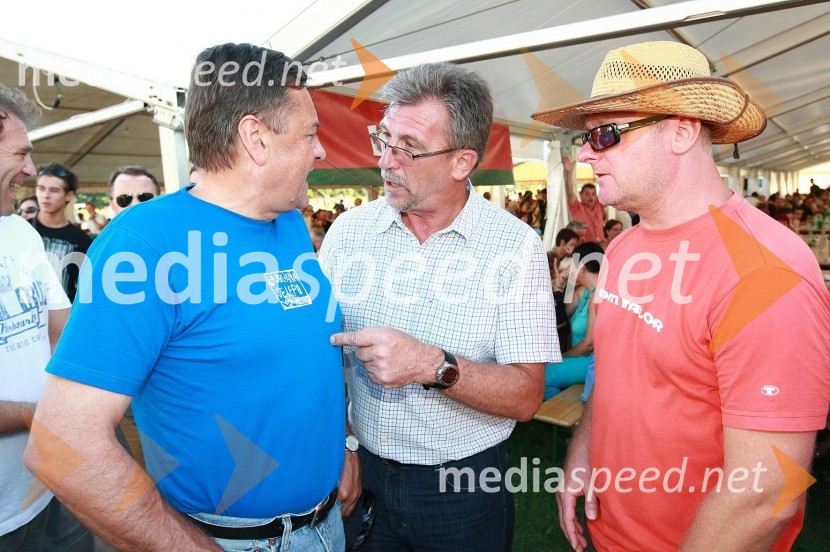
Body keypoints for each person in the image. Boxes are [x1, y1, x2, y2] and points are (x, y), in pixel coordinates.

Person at [25, 43, 356, 551]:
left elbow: (306, 352)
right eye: (311, 133)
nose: (321, 150)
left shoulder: (288, 220)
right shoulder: (145, 246)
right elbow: (60, 443)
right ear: (255, 137)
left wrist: (343, 446)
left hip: (326, 524)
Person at [532, 41, 830, 551]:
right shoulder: (625, 247)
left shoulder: (764, 272)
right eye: (586, 137)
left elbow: (767, 493)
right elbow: (614, 370)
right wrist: (582, 450)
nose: (585, 153)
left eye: (605, 135)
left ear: (681, 131)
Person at [321, 62, 559, 552]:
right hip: (364, 472)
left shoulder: (515, 247)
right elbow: (319, 357)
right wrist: (342, 443)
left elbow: (526, 396)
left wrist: (433, 366)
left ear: (462, 162)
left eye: (407, 148)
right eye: (382, 139)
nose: (386, 161)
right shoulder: (348, 232)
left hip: (464, 486)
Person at [0, 84, 93, 550]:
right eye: (20, 155)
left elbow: (62, 330)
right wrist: (53, 416)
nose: (30, 171)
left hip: (51, 476)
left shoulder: (19, 231)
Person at [544, 242, 603, 400]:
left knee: (543, 377)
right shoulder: (585, 291)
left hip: (592, 361)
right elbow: (565, 312)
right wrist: (562, 283)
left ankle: (569, 418)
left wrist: (564, 356)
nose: (570, 268)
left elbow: (589, 345)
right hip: (582, 358)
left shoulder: (599, 295)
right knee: (547, 371)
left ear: (582, 266)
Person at [32, 162, 92, 302]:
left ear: (69, 195)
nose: (46, 195)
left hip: (64, 318)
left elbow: (87, 290)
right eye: (41, 188)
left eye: (54, 190)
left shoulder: (81, 240)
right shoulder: (23, 230)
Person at [563, 156, 604, 242]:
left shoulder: (599, 206)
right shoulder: (577, 207)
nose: (591, 197)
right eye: (587, 194)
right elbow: (570, 193)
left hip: (599, 248)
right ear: (581, 195)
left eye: (593, 194)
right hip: (584, 249)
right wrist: (569, 173)